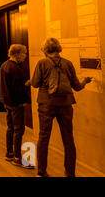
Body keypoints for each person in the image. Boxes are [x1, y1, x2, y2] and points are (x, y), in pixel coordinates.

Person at [31, 38, 92, 177]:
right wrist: (85, 82)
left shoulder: (42, 63)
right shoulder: (68, 63)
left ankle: (41, 171)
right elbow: (76, 87)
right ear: (58, 48)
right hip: (65, 104)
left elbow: (35, 83)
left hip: (46, 104)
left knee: (43, 137)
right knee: (68, 139)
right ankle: (70, 173)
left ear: (45, 50)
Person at [0, 44, 33, 169]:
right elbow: (19, 89)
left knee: (10, 128)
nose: (25, 56)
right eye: (24, 53)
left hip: (7, 102)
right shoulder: (16, 69)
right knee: (19, 130)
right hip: (16, 103)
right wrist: (28, 86)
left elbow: (1, 83)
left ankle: (9, 153)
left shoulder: (4, 65)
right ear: (17, 54)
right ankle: (18, 158)